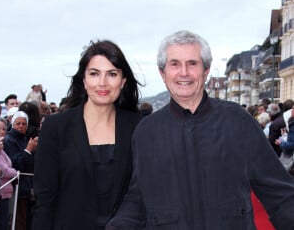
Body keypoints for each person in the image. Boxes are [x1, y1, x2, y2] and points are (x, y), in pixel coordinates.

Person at [106, 30, 294, 230]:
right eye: (175, 64)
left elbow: (279, 194)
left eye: (192, 63)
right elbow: (138, 199)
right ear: (163, 73)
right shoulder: (146, 133)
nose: (184, 72)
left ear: (205, 71)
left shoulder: (238, 122)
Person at [32, 39, 142, 230]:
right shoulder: (56, 127)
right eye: (94, 74)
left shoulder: (138, 127)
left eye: (112, 74)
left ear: (123, 81)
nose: (102, 83)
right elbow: (45, 201)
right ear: (83, 80)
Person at [4, 111, 38, 230]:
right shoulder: (9, 140)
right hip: (17, 188)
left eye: (24, 124)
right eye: (18, 123)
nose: (21, 126)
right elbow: (14, 163)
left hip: (26, 188)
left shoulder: (24, 139)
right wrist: (28, 150)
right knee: (18, 222)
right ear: (13, 124)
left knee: (26, 221)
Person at [0, 118, 17, 230]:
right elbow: (5, 170)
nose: (2, 132)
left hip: (2, 194)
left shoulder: (0, 149)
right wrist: (12, 172)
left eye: (4, 129)